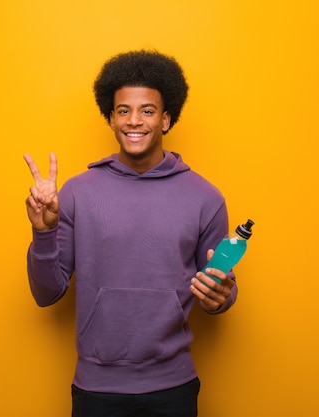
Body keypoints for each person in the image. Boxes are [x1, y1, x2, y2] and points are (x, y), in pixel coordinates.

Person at [24, 50, 238, 417]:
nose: (134, 121)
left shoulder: (206, 197)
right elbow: (47, 295)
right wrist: (43, 233)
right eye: (123, 110)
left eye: (147, 110)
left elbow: (219, 291)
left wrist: (221, 297)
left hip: (173, 387)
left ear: (166, 119)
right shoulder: (77, 192)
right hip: (96, 388)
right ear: (110, 117)